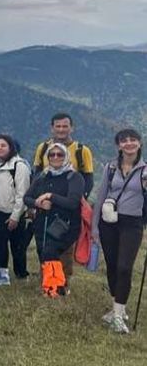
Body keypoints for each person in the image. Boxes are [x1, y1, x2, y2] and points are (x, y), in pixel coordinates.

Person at [92, 129, 146, 334]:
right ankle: (117, 308)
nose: (129, 143)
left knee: (125, 267)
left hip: (132, 223)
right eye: (124, 141)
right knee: (113, 265)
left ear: (140, 144)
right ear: (118, 145)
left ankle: (117, 315)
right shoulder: (111, 167)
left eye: (133, 140)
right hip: (109, 222)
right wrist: (95, 227)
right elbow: (101, 196)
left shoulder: (145, 171)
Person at [32, 112, 94, 289]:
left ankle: (62, 283)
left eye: (65, 126)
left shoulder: (82, 150)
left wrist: (79, 202)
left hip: (68, 208)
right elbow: (37, 173)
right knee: (44, 243)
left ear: (71, 127)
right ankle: (47, 280)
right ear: (52, 128)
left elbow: (88, 179)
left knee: (64, 247)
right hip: (45, 206)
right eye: (57, 126)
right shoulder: (43, 148)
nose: (61, 129)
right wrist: (36, 201)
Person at [23, 143, 85, 298]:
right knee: (43, 253)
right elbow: (27, 198)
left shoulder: (74, 177)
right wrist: (39, 202)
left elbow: (72, 202)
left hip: (65, 225)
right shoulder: (43, 176)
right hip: (42, 224)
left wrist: (50, 196)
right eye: (52, 155)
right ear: (47, 157)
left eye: (60, 154)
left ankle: (55, 289)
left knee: (52, 252)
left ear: (66, 157)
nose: (56, 157)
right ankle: (51, 286)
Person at [0, 134, 30, 290]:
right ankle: (3, 274)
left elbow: (22, 194)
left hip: (9, 212)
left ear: (11, 147)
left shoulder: (19, 166)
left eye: (3, 145)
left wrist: (16, 216)